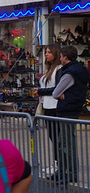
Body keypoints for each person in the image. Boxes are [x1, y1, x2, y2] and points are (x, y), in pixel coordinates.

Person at [51, 45, 89, 185]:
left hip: (67, 110)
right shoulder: (78, 70)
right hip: (72, 108)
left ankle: (70, 173)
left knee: (67, 143)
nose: (59, 58)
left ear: (65, 57)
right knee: (62, 142)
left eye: (60, 56)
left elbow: (55, 93)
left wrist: (60, 92)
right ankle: (62, 171)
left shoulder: (69, 73)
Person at [35, 43, 62, 180]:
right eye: (46, 52)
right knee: (53, 137)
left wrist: (40, 91)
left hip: (55, 106)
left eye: (49, 52)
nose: (46, 54)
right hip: (47, 105)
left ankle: (59, 165)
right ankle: (56, 163)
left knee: (57, 138)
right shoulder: (49, 69)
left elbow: (57, 89)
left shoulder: (59, 69)